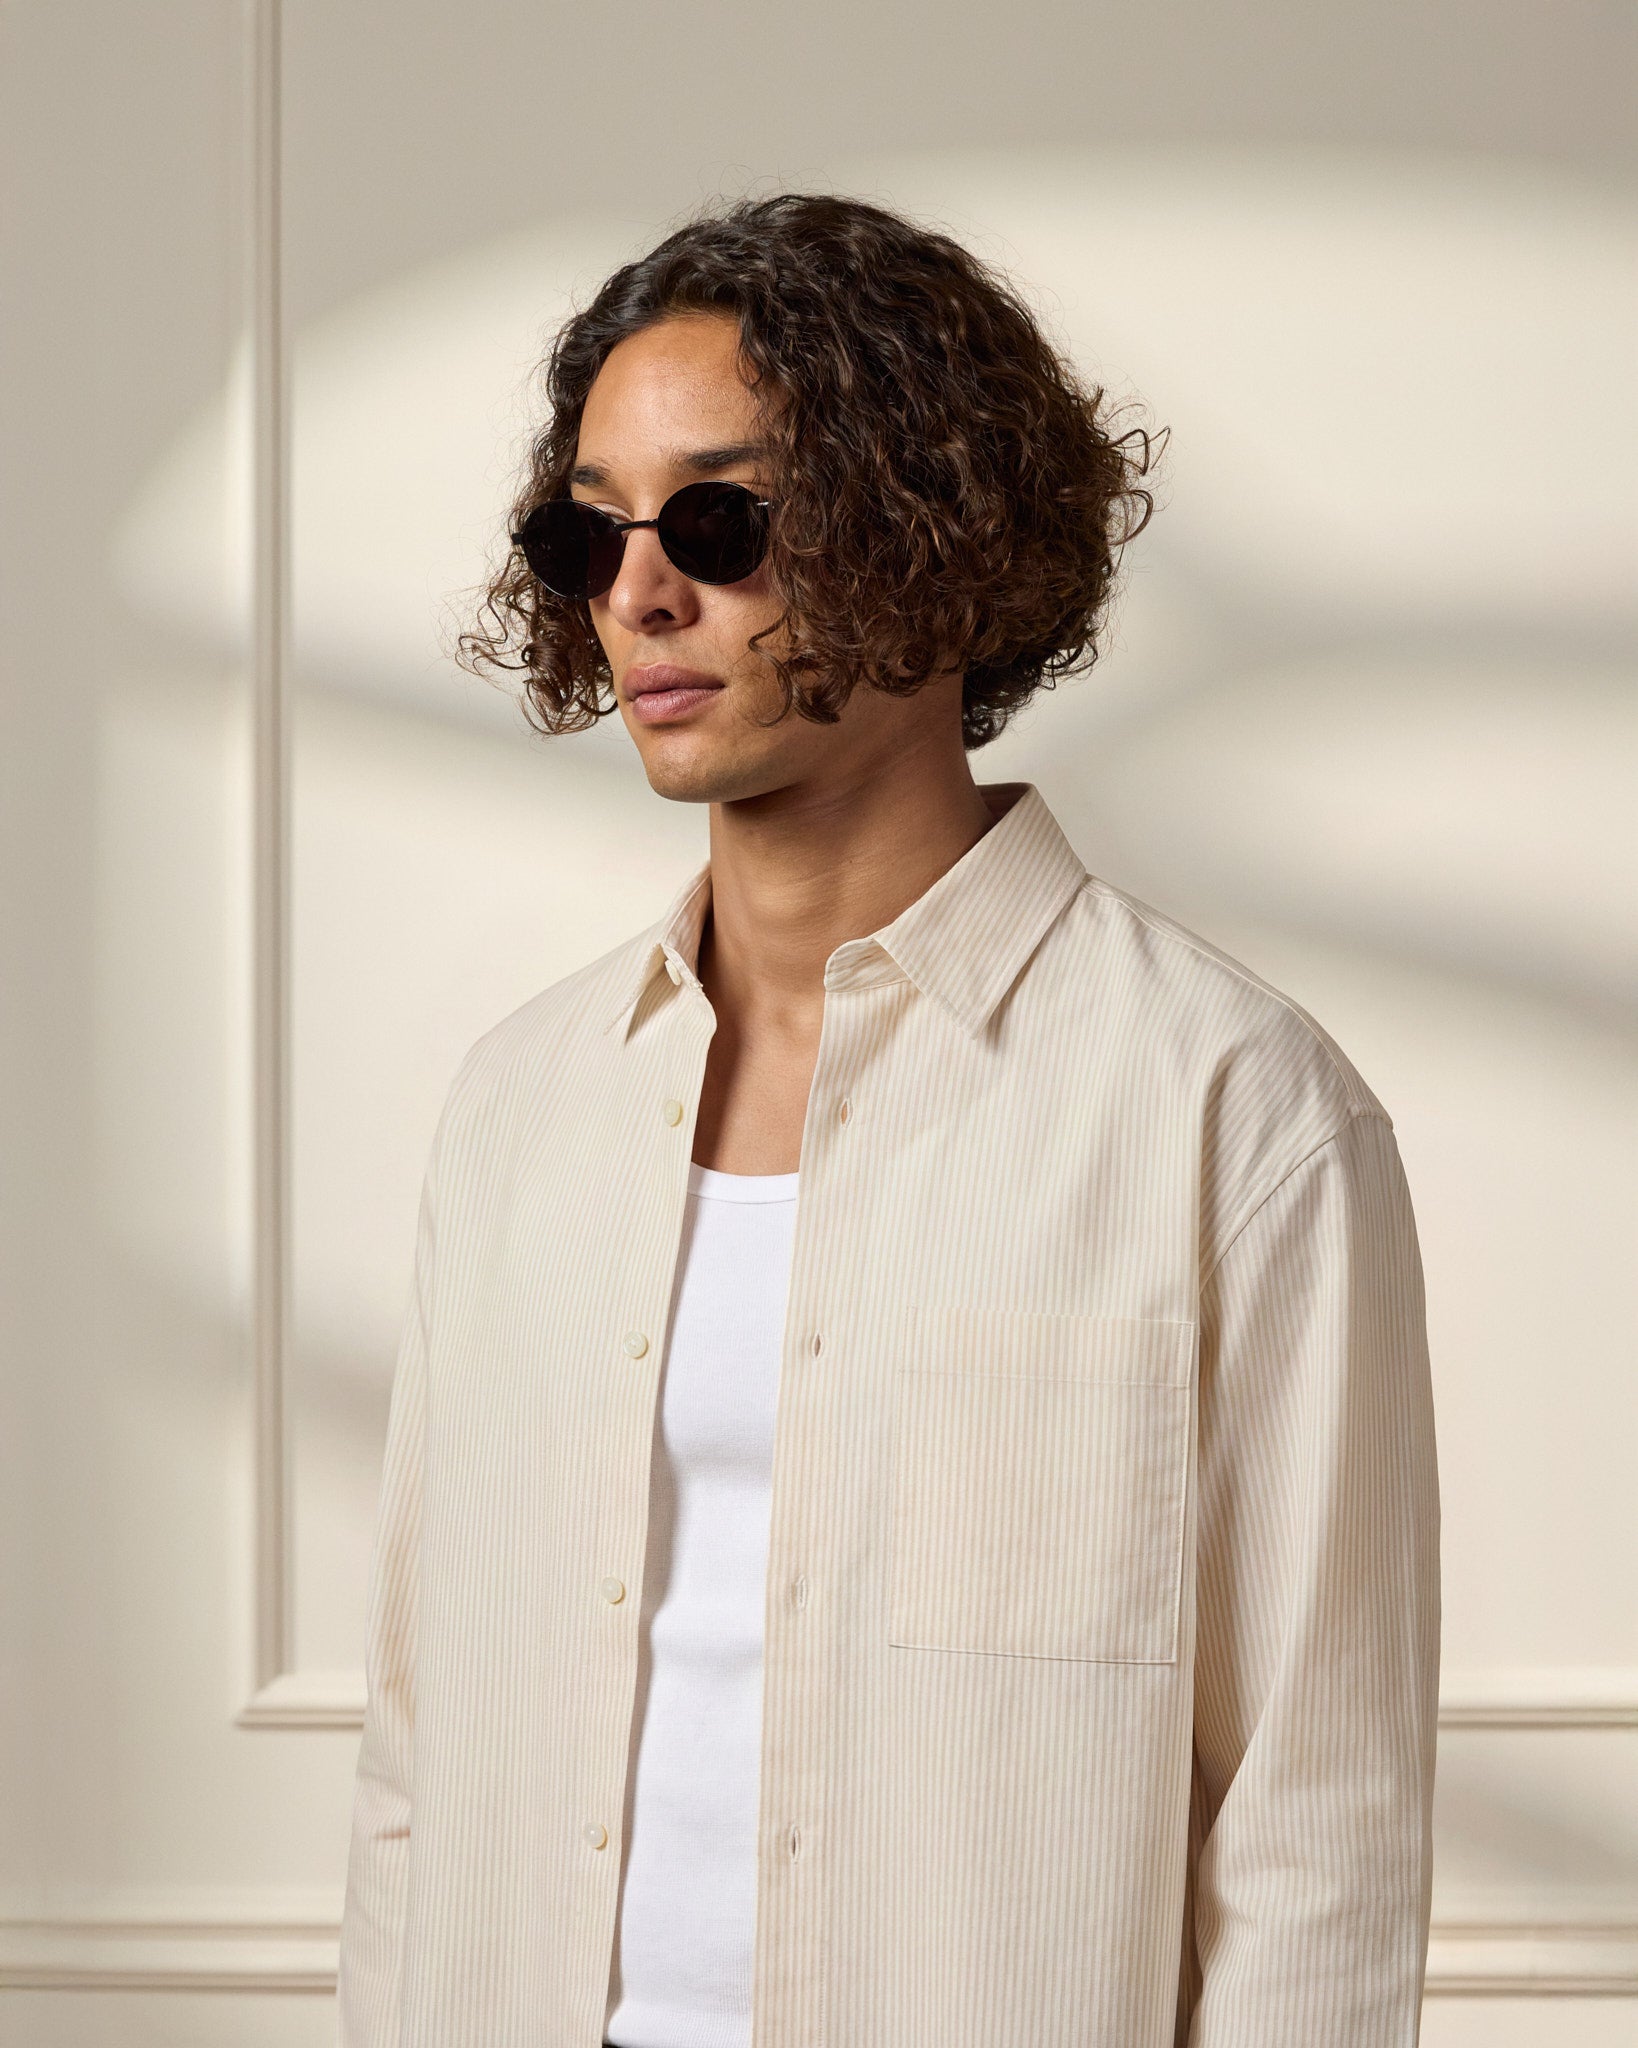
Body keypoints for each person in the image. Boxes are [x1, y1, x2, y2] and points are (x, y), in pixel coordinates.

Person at [335, 192, 1440, 2048]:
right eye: (587, 532)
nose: (640, 595)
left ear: (935, 538)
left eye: (718, 520)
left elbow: (1314, 1827)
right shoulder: (522, 1109)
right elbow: (414, 1752)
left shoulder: (1231, 1115)